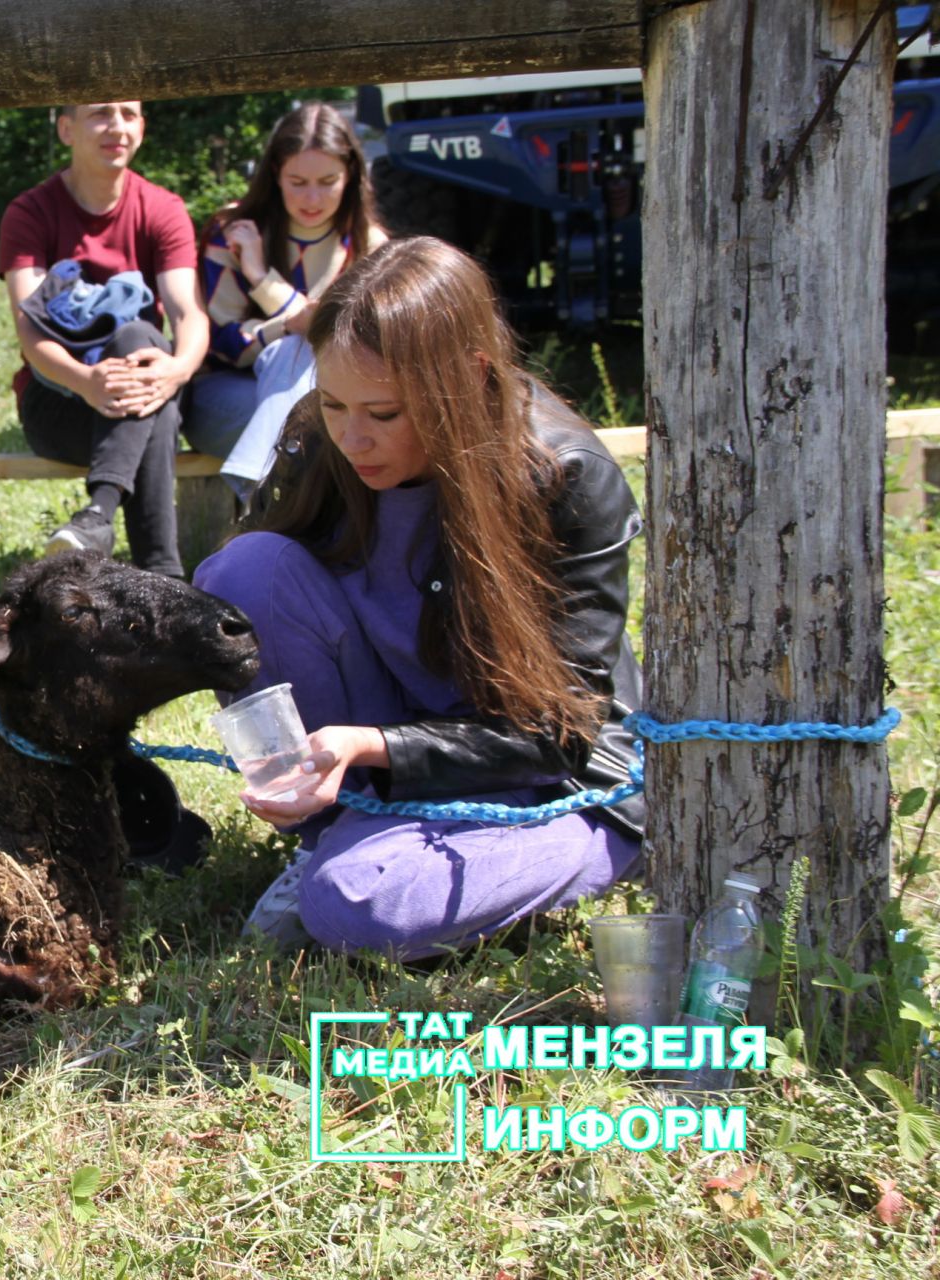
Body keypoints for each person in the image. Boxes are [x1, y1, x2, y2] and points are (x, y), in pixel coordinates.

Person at [191, 237, 645, 960]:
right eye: (333, 403)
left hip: (547, 780)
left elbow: (562, 734)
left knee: (363, 905)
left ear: (468, 376)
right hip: (396, 743)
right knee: (243, 572)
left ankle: (369, 865)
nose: (352, 437)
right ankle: (342, 836)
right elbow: (252, 596)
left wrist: (370, 746)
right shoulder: (324, 445)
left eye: (385, 413)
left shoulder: (566, 477)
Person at [0, 101, 209, 578]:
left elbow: (188, 312)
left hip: (147, 391)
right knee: (155, 404)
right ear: (66, 129)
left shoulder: (163, 209)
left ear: (143, 128)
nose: (117, 126)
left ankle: (98, 517)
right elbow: (29, 333)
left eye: (129, 115)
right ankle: (163, 574)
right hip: (60, 404)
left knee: (140, 339)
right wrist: (85, 380)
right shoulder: (30, 212)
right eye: (100, 114)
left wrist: (178, 369)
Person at [183, 103, 386, 501]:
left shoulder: (369, 245)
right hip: (223, 397)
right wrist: (289, 325)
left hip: (333, 401)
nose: (312, 198)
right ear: (275, 173)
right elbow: (221, 344)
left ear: (351, 177)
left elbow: (359, 345)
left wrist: (261, 279)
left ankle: (259, 497)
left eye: (327, 181)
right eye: (297, 181)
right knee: (295, 357)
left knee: (319, 415)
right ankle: (271, 506)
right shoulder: (233, 231)